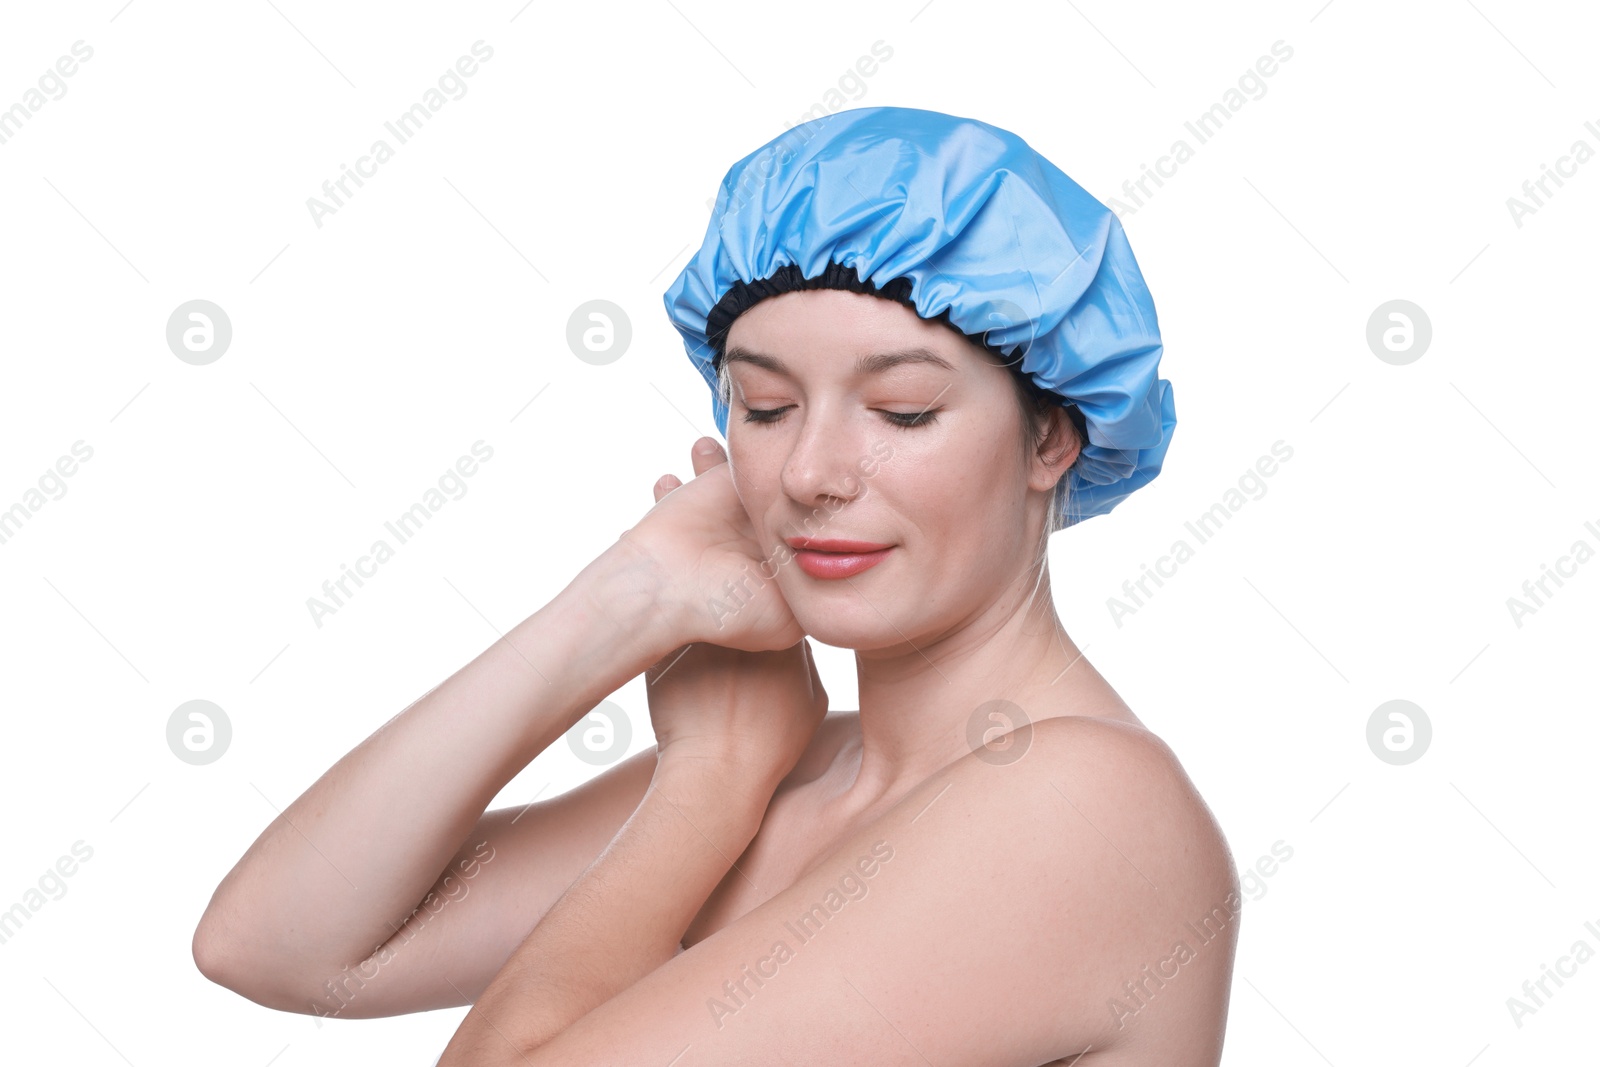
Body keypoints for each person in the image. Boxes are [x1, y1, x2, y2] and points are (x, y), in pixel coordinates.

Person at [193, 106, 1238, 1065]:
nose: (809, 473)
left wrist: (704, 788)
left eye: (904, 410)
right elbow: (276, 945)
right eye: (767, 404)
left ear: (1050, 435)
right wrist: (628, 598)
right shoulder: (809, 766)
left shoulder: (1077, 806)